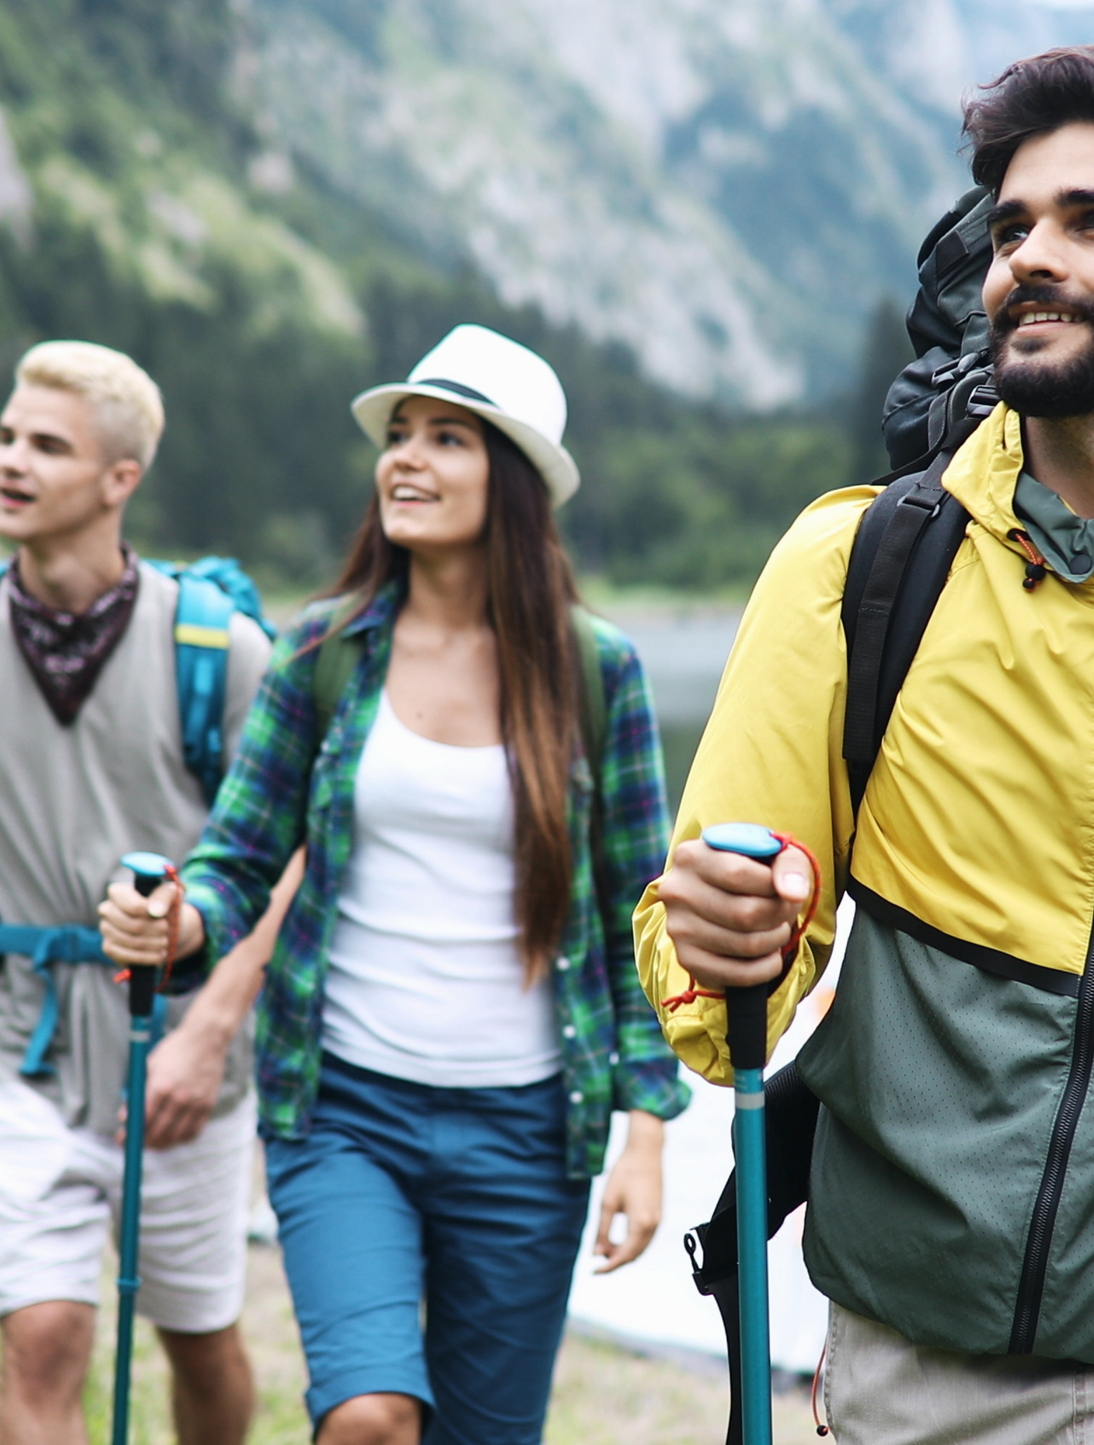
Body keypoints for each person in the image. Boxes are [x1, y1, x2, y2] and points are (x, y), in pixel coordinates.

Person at [634, 44, 1094, 1445]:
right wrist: (722, 940)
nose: (1029, 257)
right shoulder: (862, 565)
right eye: (1010, 227)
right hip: (899, 1368)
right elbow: (703, 994)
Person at [99, 323, 690, 1445]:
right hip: (341, 1107)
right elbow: (234, 862)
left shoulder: (591, 667)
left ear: (509, 478)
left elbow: (636, 915)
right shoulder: (324, 649)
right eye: (399, 436)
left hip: (529, 1125)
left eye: (447, 438)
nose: (405, 459)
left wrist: (648, 1130)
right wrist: (175, 921)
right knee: (366, 1414)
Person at [0, 340, 281, 1445]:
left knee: (198, 1338)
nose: (9, 461)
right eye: (4, 437)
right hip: (11, 1038)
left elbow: (285, 854)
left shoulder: (218, 649)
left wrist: (213, 1023)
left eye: (47, 443)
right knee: (39, 1335)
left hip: (181, 1050)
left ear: (119, 477)